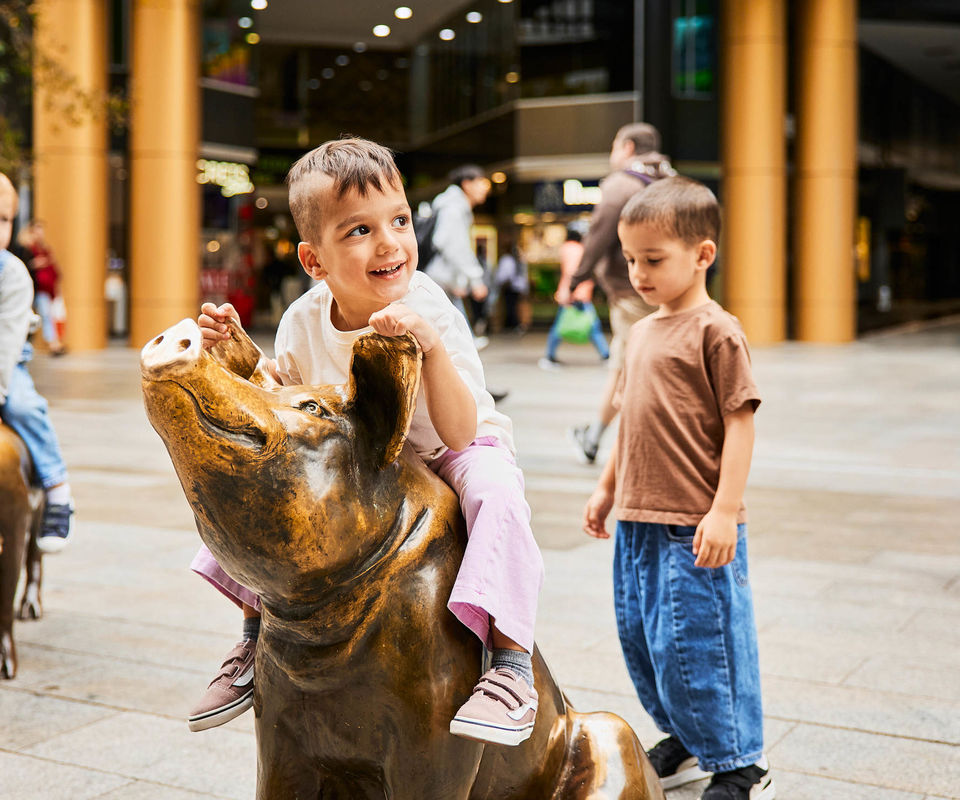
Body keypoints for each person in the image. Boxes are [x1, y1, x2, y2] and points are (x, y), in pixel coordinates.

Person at [187, 138, 543, 747]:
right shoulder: (304, 318)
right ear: (313, 259)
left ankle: (511, 667)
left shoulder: (428, 304)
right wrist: (238, 351)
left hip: (451, 447)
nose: (390, 245)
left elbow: (461, 429)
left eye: (399, 221)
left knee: (497, 495)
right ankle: (253, 638)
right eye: (358, 231)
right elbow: (289, 402)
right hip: (362, 451)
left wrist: (430, 346)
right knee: (268, 496)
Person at [582, 176, 774, 800]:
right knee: (646, 641)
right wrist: (607, 487)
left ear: (703, 254)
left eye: (653, 260)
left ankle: (740, 763)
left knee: (703, 645)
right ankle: (688, 737)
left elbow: (740, 424)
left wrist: (723, 511)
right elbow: (632, 423)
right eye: (631, 259)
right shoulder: (640, 333)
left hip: (693, 522)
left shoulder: (716, 331)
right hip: (638, 519)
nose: (638, 272)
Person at [567, 122, 675, 463]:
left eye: (615, 145)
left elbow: (599, 233)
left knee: (634, 369)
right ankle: (595, 435)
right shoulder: (672, 181)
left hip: (632, 290)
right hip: (670, 289)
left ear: (627, 147)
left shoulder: (622, 184)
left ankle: (650, 446)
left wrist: (576, 278)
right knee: (627, 364)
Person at [0, 174, 75, 553]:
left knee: (24, 406)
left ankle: (57, 486)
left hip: (5, 363)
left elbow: (6, 343)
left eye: (4, 219)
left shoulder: (11, 274)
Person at [422, 164, 491, 349]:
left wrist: (461, 281)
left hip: (441, 275)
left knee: (448, 322)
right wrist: (474, 279)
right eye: (481, 182)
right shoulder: (453, 207)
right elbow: (452, 245)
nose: (485, 188)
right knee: (449, 324)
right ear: (467, 184)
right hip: (440, 275)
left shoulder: (454, 205)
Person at [538, 227, 609, 369]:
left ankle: (549, 356)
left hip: (571, 293)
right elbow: (573, 270)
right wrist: (572, 291)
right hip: (577, 294)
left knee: (563, 325)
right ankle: (606, 355)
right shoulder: (576, 249)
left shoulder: (566, 248)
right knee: (591, 325)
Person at [17, 220, 66, 356]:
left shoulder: (43, 249)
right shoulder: (25, 248)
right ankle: (51, 344)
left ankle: (53, 344)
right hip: (29, 287)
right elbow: (21, 266)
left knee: (46, 315)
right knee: (29, 315)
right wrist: (34, 264)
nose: (41, 234)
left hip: (42, 288)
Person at [495, 238, 528, 334]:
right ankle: (513, 324)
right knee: (513, 306)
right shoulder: (518, 260)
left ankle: (513, 324)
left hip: (510, 287)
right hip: (517, 287)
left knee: (511, 307)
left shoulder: (507, 259)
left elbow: (504, 275)